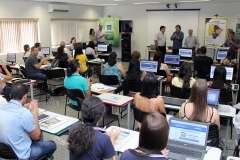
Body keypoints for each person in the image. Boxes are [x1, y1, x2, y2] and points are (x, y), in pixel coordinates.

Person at [0, 83, 56, 159]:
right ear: (25, 96)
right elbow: (36, 136)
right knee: (52, 144)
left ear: (10, 95)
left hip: (4, 154)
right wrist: (35, 115)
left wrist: (24, 106)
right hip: (22, 155)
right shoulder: (24, 113)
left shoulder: (2, 108)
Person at [179, 80, 220, 145]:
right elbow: (217, 130)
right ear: (206, 93)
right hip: (206, 144)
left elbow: (181, 122)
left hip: (187, 141)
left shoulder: (184, 106)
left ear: (192, 92)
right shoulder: (214, 112)